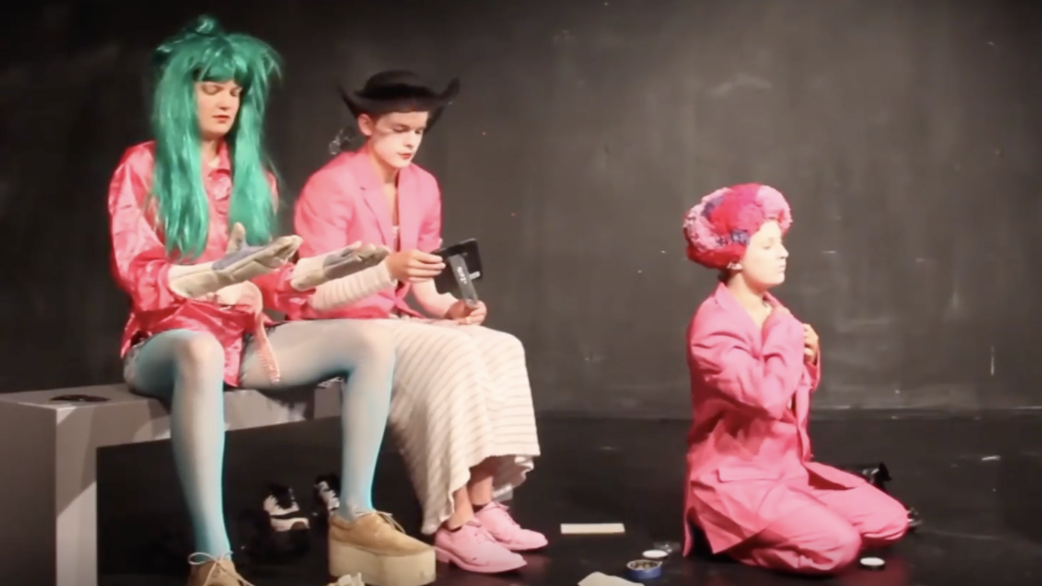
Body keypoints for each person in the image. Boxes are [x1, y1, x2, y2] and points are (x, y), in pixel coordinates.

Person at [108, 19, 433, 586]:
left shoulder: (253, 175)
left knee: (370, 340)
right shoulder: (143, 165)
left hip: (243, 342)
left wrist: (320, 269)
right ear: (180, 92)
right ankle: (212, 558)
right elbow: (137, 273)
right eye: (212, 88)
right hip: (166, 344)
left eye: (235, 91)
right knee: (199, 351)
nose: (225, 102)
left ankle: (355, 514)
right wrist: (209, 277)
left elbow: (271, 280)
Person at [289, 70, 545, 575]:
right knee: (453, 354)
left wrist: (451, 309)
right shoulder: (331, 186)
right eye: (398, 129)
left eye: (418, 131)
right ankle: (454, 522)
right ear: (367, 125)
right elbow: (316, 294)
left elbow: (422, 283)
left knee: (500, 345)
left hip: (391, 320)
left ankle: (485, 503)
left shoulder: (422, 186)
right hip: (336, 327)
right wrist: (387, 269)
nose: (410, 141)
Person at [680, 184, 909, 575]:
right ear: (734, 257)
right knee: (837, 548)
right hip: (734, 482)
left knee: (891, 521)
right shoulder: (714, 326)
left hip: (785, 471)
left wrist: (810, 356)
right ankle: (726, 537)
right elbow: (767, 398)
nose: (783, 253)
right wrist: (785, 338)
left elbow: (789, 394)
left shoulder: (772, 310)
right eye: (768, 245)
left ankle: (792, 520)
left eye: (781, 243)